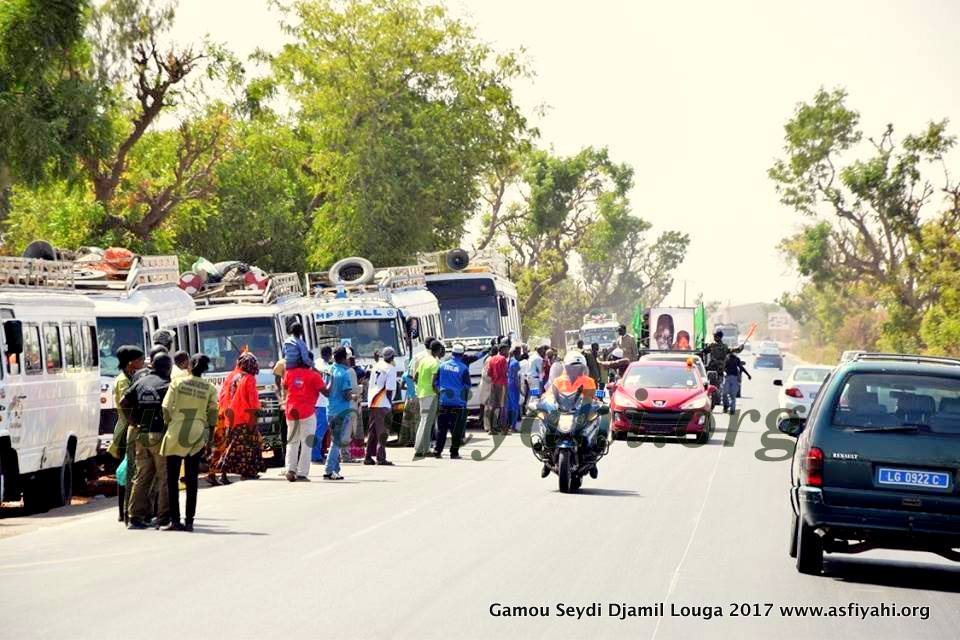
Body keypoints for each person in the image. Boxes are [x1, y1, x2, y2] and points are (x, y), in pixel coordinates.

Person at [160, 354, 217, 531]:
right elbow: (213, 414)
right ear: (206, 369)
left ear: (189, 366)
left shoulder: (177, 382)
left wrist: (169, 423)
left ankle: (175, 521)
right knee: (192, 479)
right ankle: (190, 521)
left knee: (172, 479)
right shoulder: (210, 388)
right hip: (197, 433)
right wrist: (210, 435)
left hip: (176, 431)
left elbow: (165, 407)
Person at [120, 353, 173, 530]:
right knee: (165, 477)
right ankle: (163, 518)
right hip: (159, 434)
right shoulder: (167, 385)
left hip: (142, 433)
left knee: (142, 476)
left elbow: (123, 401)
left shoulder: (140, 382)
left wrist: (133, 420)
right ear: (167, 368)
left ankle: (135, 517)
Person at [108, 345, 145, 523]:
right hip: (125, 429)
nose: (143, 363)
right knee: (127, 472)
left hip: (128, 427)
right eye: (140, 360)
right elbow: (127, 405)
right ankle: (124, 512)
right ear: (131, 363)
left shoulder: (130, 377)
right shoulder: (124, 381)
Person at [218, 352, 264, 481]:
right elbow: (253, 401)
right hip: (245, 417)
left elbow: (225, 396)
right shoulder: (249, 379)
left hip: (232, 417)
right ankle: (225, 469)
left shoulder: (235, 377)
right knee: (245, 446)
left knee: (240, 446)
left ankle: (246, 472)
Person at [282, 355, 329, 481]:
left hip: (291, 412)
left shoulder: (289, 373)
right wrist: (330, 379)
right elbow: (327, 392)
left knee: (292, 442)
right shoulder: (314, 376)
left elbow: (285, 387)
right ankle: (302, 473)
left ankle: (290, 469)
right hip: (307, 413)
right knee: (306, 444)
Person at [435, 343, 471, 459]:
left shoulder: (442, 366)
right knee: (457, 430)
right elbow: (467, 386)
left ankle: (438, 450)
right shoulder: (463, 368)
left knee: (442, 428)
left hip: (444, 401)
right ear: (462, 354)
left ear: (452, 353)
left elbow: (435, 382)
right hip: (458, 403)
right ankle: (454, 453)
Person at [325, 347, 356, 479]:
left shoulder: (330, 370)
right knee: (336, 442)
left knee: (335, 440)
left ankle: (335, 469)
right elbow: (346, 395)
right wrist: (354, 396)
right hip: (342, 411)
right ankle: (329, 469)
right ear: (344, 359)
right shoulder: (345, 374)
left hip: (330, 409)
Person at [413, 341, 444, 457]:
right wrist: (439, 393)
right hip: (430, 394)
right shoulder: (435, 363)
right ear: (439, 350)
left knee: (423, 422)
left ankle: (419, 447)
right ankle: (423, 449)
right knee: (427, 423)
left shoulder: (423, 360)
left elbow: (415, 377)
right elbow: (433, 383)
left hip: (421, 394)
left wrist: (420, 387)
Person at [312, 346, 333, 463]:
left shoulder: (317, 363)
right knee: (320, 430)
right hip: (322, 403)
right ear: (329, 355)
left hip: (315, 402)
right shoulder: (326, 368)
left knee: (317, 429)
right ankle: (315, 455)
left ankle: (317, 453)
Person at [484, 344, 509, 435]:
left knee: (492, 407)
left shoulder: (492, 358)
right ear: (502, 350)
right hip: (502, 384)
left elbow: (489, 373)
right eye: (506, 350)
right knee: (503, 406)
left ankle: (491, 429)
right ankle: (504, 429)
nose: (508, 352)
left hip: (493, 384)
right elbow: (504, 372)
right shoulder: (503, 359)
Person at [506, 346, 522, 432]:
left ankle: (508, 425)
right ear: (517, 353)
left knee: (509, 406)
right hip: (513, 386)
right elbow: (516, 377)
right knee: (515, 406)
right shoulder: (516, 362)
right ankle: (513, 426)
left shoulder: (508, 361)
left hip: (507, 384)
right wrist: (519, 388)